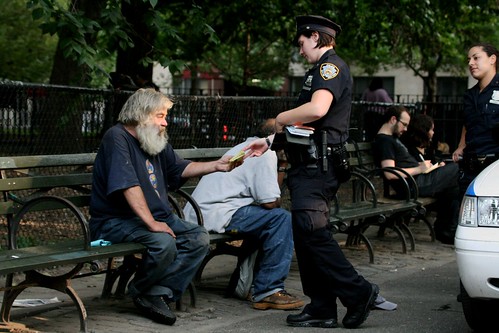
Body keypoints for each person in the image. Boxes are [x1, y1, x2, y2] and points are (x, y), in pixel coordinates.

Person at [244, 15, 379, 329]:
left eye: (302, 42)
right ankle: (321, 306)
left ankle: (359, 292)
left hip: (318, 166)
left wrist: (280, 117)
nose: (300, 49)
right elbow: (306, 127)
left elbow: (317, 110)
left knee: (313, 232)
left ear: (316, 37)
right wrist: (270, 141)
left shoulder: (329, 68)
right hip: (309, 162)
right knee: (305, 236)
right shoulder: (318, 71)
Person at [89, 88, 239, 326]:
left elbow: (179, 169)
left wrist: (216, 166)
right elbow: (128, 185)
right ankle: (144, 292)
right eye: (160, 115)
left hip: (153, 218)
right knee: (163, 243)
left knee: (198, 237)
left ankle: (154, 292)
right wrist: (152, 223)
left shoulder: (152, 140)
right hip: (114, 222)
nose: (165, 122)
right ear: (141, 114)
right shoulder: (116, 137)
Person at [183, 118, 303, 310]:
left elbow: (269, 197)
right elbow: (271, 202)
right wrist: (280, 163)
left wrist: (281, 165)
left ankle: (243, 282)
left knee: (271, 221)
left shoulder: (247, 146)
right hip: (215, 212)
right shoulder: (264, 154)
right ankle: (268, 290)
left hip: (206, 210)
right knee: (281, 219)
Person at [372, 106, 460, 244]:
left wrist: (426, 167)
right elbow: (390, 173)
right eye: (404, 125)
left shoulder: (392, 139)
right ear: (393, 119)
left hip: (417, 180)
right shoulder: (385, 141)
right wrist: (419, 169)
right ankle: (446, 230)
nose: (406, 129)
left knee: (453, 190)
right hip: (412, 185)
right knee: (457, 168)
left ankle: (447, 231)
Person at [452, 42, 499, 195]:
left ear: (492, 59)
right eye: (469, 60)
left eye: (476, 58)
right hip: (470, 166)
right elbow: (468, 123)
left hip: (495, 167)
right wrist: (460, 146)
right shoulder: (469, 95)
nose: (471, 63)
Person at [361, 77, 393, 142]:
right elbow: (389, 103)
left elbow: (362, 100)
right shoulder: (381, 92)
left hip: (368, 114)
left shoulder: (367, 91)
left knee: (369, 133)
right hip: (378, 115)